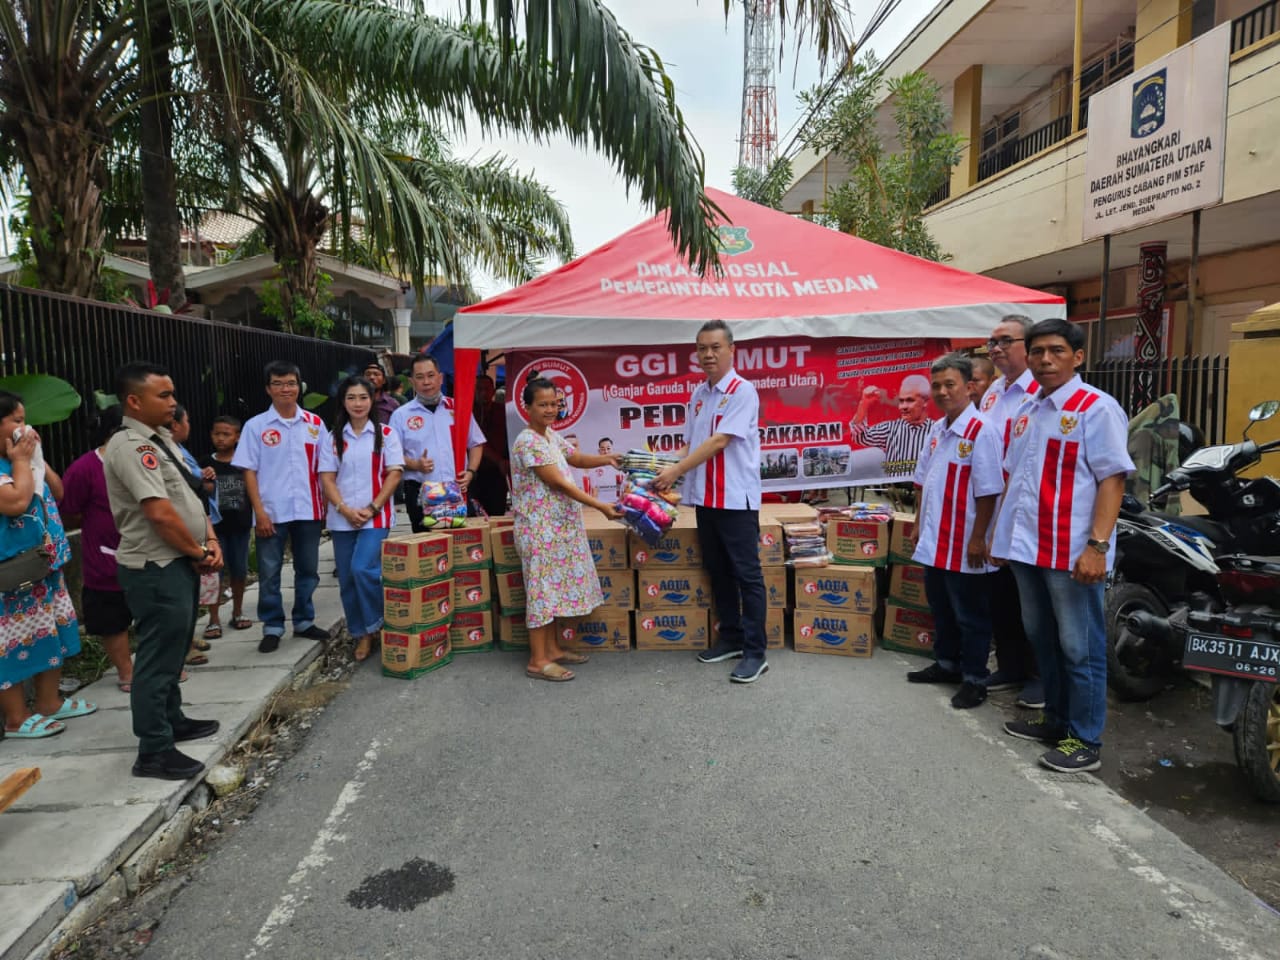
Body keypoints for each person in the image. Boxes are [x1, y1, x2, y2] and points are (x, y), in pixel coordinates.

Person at [990, 318, 1134, 773]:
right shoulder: (1027, 409)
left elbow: (1113, 480)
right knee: (1043, 639)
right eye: (1037, 352)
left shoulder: (1096, 408)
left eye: (1056, 351)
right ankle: (1055, 720)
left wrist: (1097, 547)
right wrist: (1000, 536)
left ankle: (1085, 740)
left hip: (1070, 553)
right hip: (1026, 549)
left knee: (1080, 646)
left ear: (1078, 357)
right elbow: (1015, 479)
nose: (1045, 360)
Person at [104, 363, 221, 779]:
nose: (173, 403)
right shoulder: (131, 447)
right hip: (156, 565)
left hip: (178, 560)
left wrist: (209, 540)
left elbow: (188, 496)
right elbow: (159, 513)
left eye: (172, 394)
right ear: (134, 401)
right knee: (156, 658)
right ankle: (154, 749)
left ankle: (173, 719)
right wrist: (196, 550)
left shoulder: (161, 439)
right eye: (164, 395)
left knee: (174, 648)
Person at [654, 320, 768, 684]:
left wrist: (675, 471)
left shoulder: (742, 391)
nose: (708, 354)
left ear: (732, 350)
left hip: (735, 499)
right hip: (705, 499)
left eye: (715, 347)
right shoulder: (699, 395)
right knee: (718, 571)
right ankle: (731, 637)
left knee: (747, 576)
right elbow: (690, 444)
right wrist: (660, 470)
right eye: (702, 348)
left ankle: (756, 652)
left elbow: (719, 441)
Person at [905, 354, 1004, 709]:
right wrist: (918, 523)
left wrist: (979, 538)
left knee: (971, 616)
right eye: (937, 386)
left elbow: (989, 490)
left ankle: (974, 679)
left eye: (950, 384)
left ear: (970, 387)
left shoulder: (982, 431)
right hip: (936, 540)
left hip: (964, 544)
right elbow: (922, 481)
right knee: (942, 608)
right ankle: (947, 664)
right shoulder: (937, 429)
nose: (943, 392)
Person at [510, 372, 622, 681]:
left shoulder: (550, 435)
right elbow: (557, 483)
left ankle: (553, 650)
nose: (550, 410)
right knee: (541, 594)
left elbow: (577, 459)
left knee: (552, 591)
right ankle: (538, 660)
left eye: (554, 404)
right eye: (543, 405)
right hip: (538, 530)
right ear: (527, 408)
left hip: (556, 529)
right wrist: (599, 505)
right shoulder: (527, 441)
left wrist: (608, 459)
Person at [0, 392, 97, 739]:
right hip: (11, 575)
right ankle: (15, 718)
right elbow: (16, 501)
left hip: (43, 566)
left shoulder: (21, 461)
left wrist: (35, 458)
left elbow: (57, 491)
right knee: (11, 642)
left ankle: (48, 702)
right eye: (16, 420)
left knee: (50, 632)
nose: (24, 427)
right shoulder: (10, 466)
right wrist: (21, 460)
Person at [233, 361, 329, 653]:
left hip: (309, 510)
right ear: (268, 389)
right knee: (269, 572)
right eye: (278, 383)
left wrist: (326, 505)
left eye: (290, 383)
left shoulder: (315, 424)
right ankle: (273, 626)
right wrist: (259, 512)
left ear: (299, 387)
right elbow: (249, 471)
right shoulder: (256, 426)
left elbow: (326, 469)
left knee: (308, 570)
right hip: (271, 513)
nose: (285, 389)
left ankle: (304, 620)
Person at [978, 314, 1043, 708]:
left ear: (1027, 346)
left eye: (1005, 341)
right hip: (994, 508)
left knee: (1031, 600)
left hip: (1025, 511)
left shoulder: (1039, 391)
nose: (996, 348)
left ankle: (1039, 675)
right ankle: (1010, 665)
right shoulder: (994, 391)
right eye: (992, 342)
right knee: (1000, 594)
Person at [319, 376, 404, 662]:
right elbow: (327, 478)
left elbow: (394, 473)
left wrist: (373, 507)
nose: (358, 403)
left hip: (375, 517)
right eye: (351, 397)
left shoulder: (386, 434)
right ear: (343, 402)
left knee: (362, 569)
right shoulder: (332, 437)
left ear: (373, 400)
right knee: (347, 578)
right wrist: (343, 509)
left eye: (363, 397)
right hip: (341, 518)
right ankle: (362, 633)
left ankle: (379, 621)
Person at [58, 406, 135, 692]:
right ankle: (127, 672)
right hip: (105, 555)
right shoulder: (85, 468)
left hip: (147, 549)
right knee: (112, 616)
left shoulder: (146, 459)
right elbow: (69, 511)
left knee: (155, 610)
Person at [389, 355, 486, 532]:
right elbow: (391, 455)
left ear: (440, 378)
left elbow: (476, 443)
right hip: (420, 493)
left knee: (463, 542)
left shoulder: (457, 409)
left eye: (431, 375)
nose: (426, 382)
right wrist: (415, 464)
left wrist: (471, 472)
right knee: (428, 545)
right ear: (412, 381)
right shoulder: (400, 415)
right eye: (420, 377)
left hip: (457, 489)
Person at [201, 416, 253, 638]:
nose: (221, 438)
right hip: (215, 529)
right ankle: (213, 618)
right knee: (214, 572)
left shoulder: (245, 461)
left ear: (237, 437)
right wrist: (205, 481)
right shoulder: (206, 463)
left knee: (239, 570)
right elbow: (200, 490)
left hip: (240, 526)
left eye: (226, 434)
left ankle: (237, 612)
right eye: (217, 434)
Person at [848, 374, 933, 478]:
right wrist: (864, 404)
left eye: (910, 400)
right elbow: (860, 437)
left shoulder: (937, 431)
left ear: (925, 402)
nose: (903, 407)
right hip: (896, 487)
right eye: (901, 401)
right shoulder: (890, 429)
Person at [470, 373, 510, 517]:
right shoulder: (468, 413)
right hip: (474, 473)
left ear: (493, 391)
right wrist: (498, 460)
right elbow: (477, 442)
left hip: (497, 473)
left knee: (497, 513)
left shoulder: (502, 411)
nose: (483, 393)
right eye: (479, 389)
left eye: (487, 389)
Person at [363, 358, 402, 425]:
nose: (371, 377)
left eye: (376, 374)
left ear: (384, 380)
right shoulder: (355, 402)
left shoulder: (392, 404)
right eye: (368, 374)